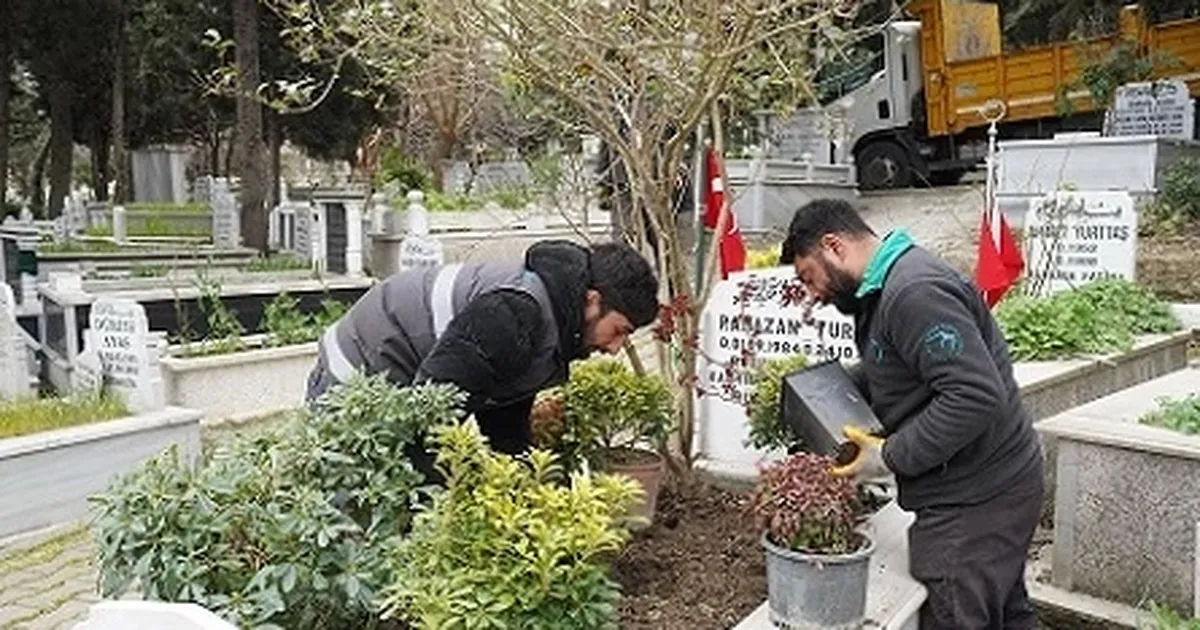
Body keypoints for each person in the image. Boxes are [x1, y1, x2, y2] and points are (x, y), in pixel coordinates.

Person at [780, 199, 1044, 630]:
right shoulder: (885, 290)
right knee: (1005, 610)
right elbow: (901, 363)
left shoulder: (914, 291)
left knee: (956, 615)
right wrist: (832, 390)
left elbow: (973, 396)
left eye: (809, 277)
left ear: (834, 246)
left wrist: (888, 456)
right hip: (992, 484)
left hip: (976, 498)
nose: (812, 294)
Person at [305, 239, 660, 479]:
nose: (615, 348)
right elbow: (433, 409)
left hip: (402, 377)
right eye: (619, 330)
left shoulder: (553, 320)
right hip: (354, 373)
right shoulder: (514, 313)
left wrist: (525, 481)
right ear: (593, 301)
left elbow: (503, 411)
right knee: (360, 508)